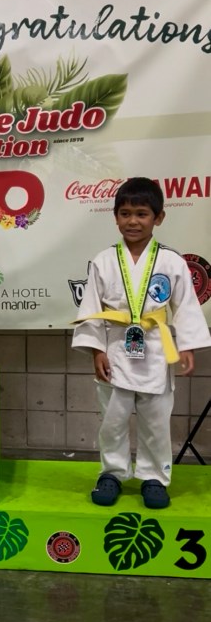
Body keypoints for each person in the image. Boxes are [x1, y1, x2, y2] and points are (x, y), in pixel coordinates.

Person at [72, 177, 211, 509]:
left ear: (158, 218)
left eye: (142, 214)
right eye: (125, 213)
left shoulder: (172, 261)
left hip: (156, 351)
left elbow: (185, 306)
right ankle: (112, 473)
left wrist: (187, 345)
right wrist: (96, 350)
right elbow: (91, 308)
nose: (133, 221)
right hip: (115, 350)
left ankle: (154, 477)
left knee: (156, 421)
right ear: (115, 217)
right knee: (112, 420)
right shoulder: (104, 260)